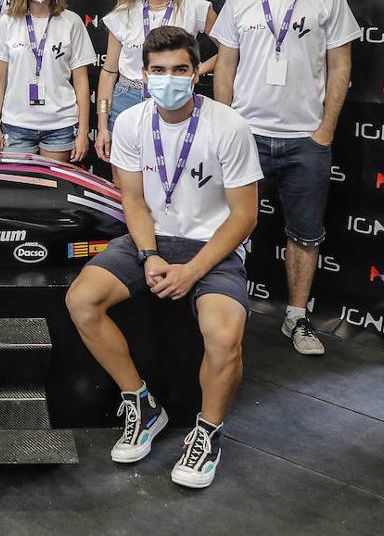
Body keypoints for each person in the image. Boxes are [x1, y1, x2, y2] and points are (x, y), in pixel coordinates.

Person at [66, 27, 262, 489]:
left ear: (196, 73)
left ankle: (207, 432)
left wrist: (193, 270)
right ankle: (141, 402)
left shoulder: (228, 125)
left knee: (223, 335)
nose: (168, 79)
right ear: (143, 73)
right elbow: (132, 200)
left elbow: (244, 217)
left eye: (179, 70)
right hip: (150, 239)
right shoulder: (132, 121)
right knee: (82, 300)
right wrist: (149, 254)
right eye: (158, 71)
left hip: (212, 247)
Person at [212, 0, 357, 357]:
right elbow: (225, 68)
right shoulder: (238, 0)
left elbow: (340, 66)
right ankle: (225, 306)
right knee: (229, 224)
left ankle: (296, 318)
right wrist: (225, 125)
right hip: (246, 135)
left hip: (306, 139)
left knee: (305, 234)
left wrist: (325, 130)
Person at [96, 0, 217, 163]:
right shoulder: (123, 13)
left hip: (176, 99)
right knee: (125, 181)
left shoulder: (195, 6)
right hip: (127, 98)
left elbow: (228, 51)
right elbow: (109, 72)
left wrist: (195, 73)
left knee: (172, 172)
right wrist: (102, 125)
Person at [0, 0, 94, 161]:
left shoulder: (71, 22)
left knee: (52, 191)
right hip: (16, 125)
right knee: (19, 193)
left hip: (60, 125)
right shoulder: (8, 22)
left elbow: (81, 81)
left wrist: (82, 132)